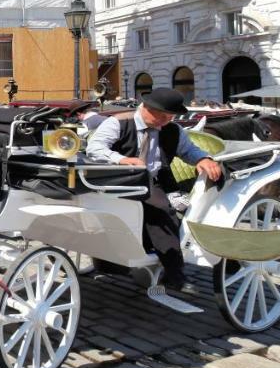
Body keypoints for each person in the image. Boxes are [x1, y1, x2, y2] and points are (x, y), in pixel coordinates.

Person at [86, 88, 222, 290]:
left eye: (170, 117)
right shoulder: (119, 122)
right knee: (159, 210)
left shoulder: (172, 129)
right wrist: (121, 159)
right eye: (160, 115)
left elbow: (188, 150)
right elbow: (95, 148)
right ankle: (166, 268)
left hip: (153, 180)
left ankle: (173, 272)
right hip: (119, 179)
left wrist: (203, 158)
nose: (164, 121)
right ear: (146, 107)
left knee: (162, 211)